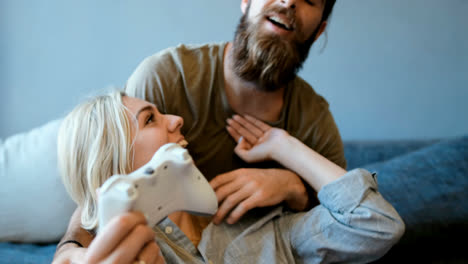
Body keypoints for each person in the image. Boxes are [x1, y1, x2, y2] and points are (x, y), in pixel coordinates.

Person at [55, 91, 404, 263]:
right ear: (114, 163)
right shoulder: (130, 253)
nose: (176, 119)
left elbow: (378, 225)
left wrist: (285, 148)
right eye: (150, 119)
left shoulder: (259, 227)